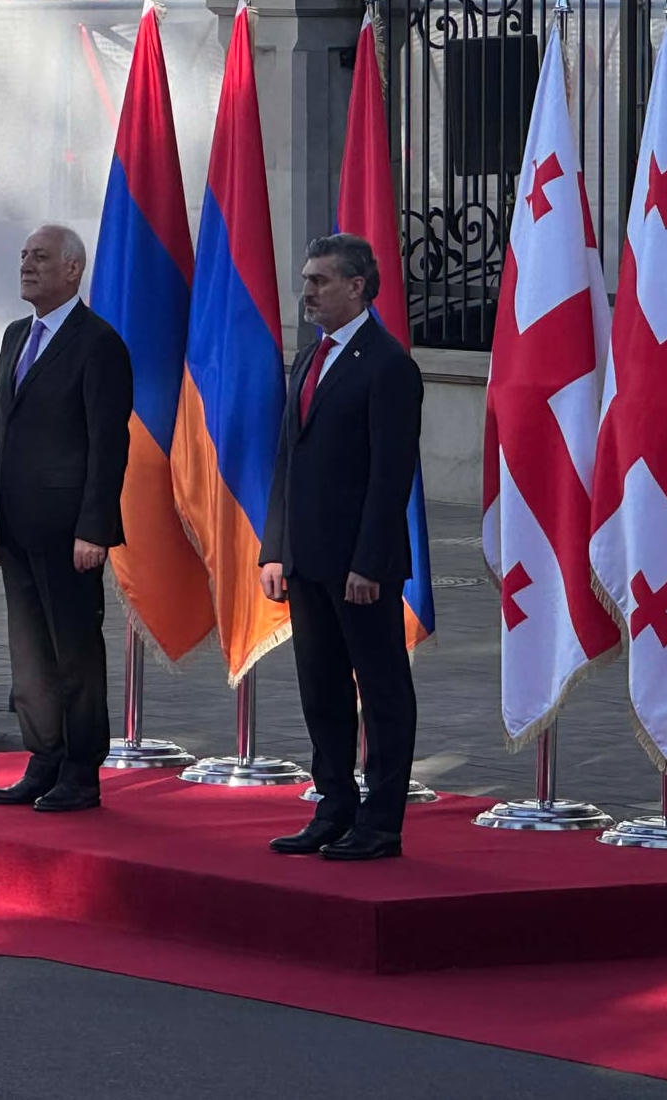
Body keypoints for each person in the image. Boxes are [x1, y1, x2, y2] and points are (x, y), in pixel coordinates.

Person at [261, 234, 422, 861]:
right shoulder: (309, 358)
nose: (308, 291)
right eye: (306, 279)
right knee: (320, 689)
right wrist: (275, 548)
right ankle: (333, 807)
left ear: (357, 286)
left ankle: (381, 823)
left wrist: (369, 562)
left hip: (359, 566)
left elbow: (391, 477)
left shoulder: (387, 365)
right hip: (305, 559)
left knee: (380, 691)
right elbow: (287, 459)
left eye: (320, 281)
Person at [0, 224, 133, 812]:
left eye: (39, 257)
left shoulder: (98, 345)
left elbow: (107, 444)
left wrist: (94, 527)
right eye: (23, 256)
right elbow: (3, 429)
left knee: (74, 651)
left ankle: (80, 768)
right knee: (30, 651)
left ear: (73, 269)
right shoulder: (18, 336)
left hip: (69, 531)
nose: (26, 265)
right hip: (16, 525)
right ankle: (42, 757)